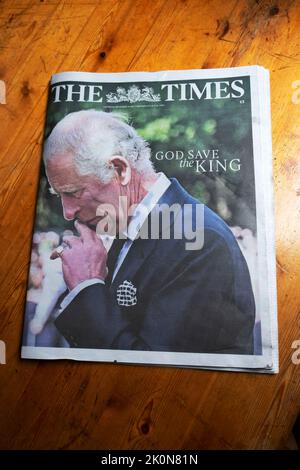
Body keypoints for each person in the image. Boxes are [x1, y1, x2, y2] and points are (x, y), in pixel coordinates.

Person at [43, 109, 255, 354]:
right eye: (59, 195)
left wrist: (87, 287)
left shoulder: (199, 240)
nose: (67, 212)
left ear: (120, 170)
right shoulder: (133, 230)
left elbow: (153, 375)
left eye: (73, 192)